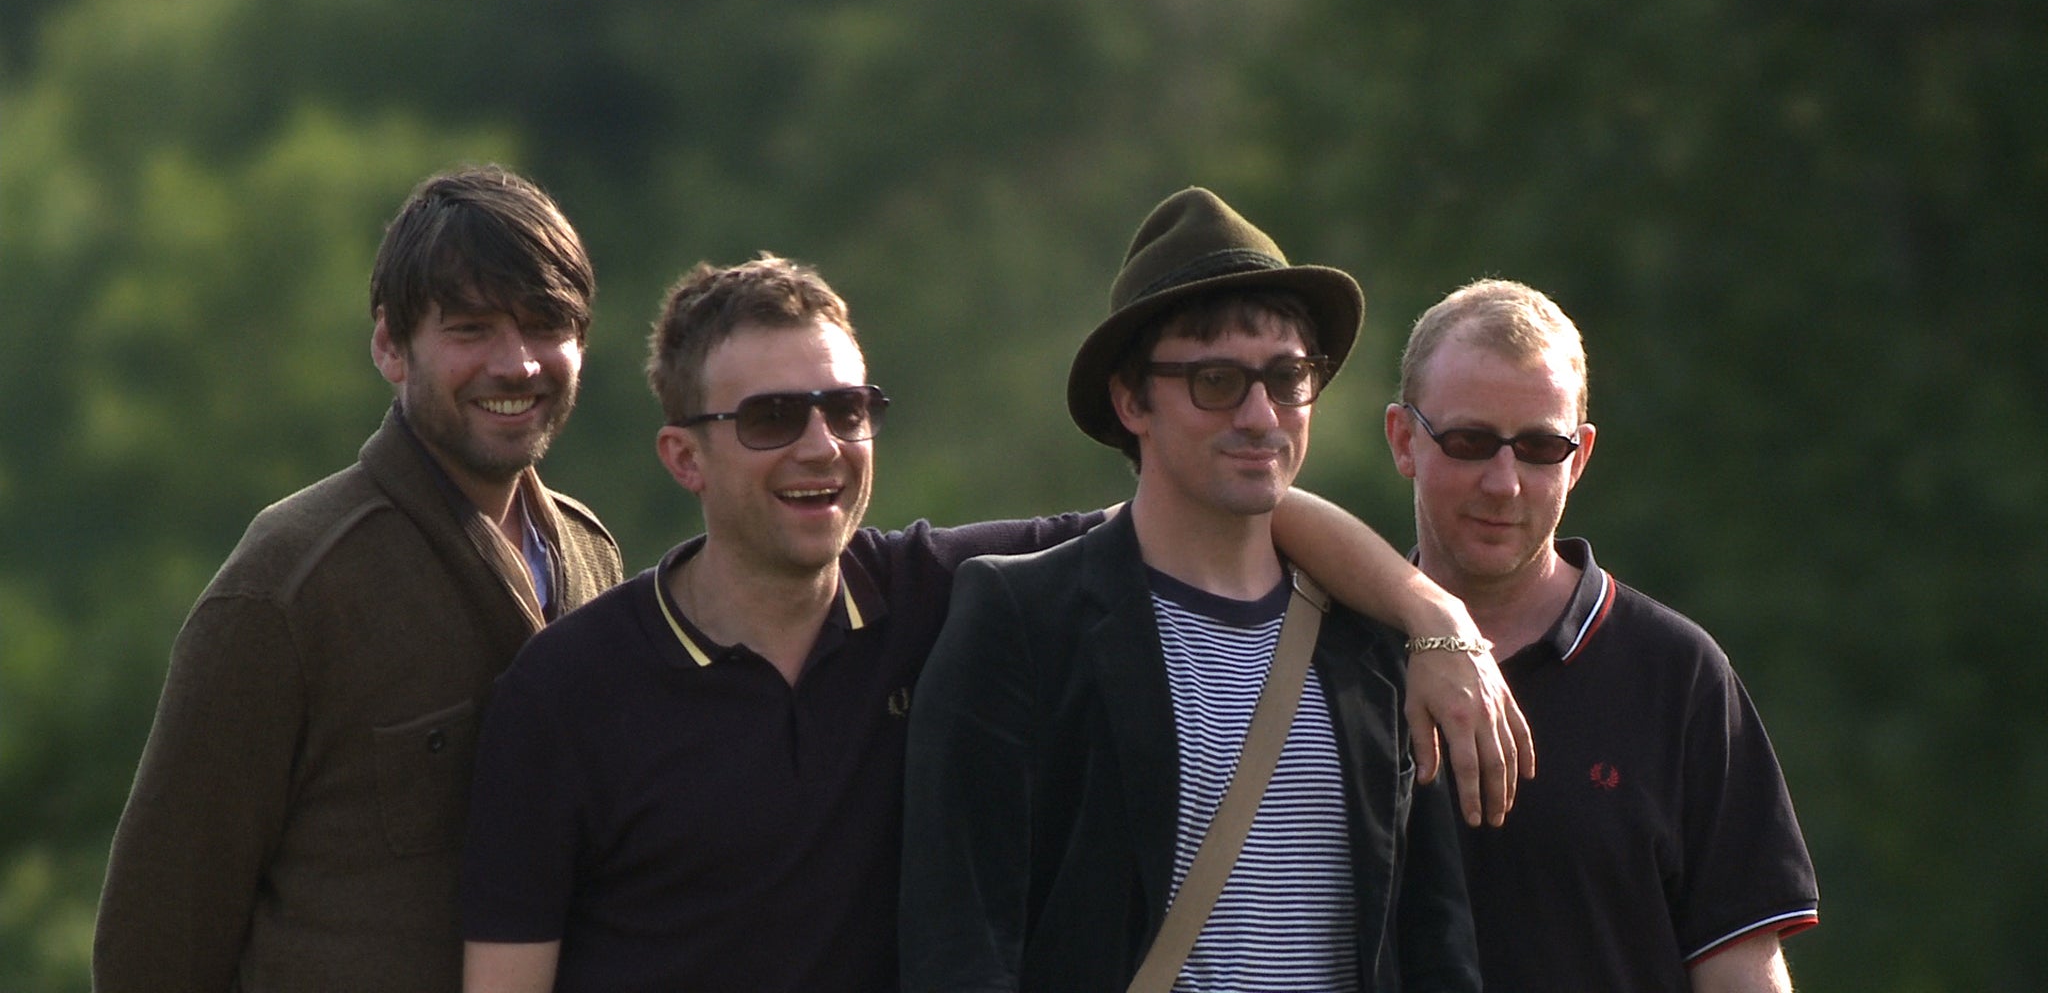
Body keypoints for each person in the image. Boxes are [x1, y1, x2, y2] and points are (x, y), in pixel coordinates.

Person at [460, 249, 1516, 993]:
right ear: (684, 457)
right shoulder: (569, 693)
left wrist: (1431, 617)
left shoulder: (936, 591)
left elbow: (1228, 491)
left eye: (848, 408)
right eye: (774, 418)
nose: (822, 446)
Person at [900, 188, 1482, 993]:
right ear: (1131, 399)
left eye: (1287, 377)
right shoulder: (1022, 620)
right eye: (1215, 380)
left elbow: (1436, 949)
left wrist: (1433, 617)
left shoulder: (1375, 643)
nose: (1259, 414)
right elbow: (959, 942)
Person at [94, 166, 625, 993]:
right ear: (389, 344)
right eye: (472, 327)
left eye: (546, 324)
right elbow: (158, 938)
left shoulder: (593, 556)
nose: (516, 363)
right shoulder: (293, 580)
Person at [1384, 278, 1819, 992]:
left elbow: (1741, 969)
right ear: (1404, 438)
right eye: (1468, 442)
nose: (1504, 481)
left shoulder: (1676, 675)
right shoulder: (1336, 658)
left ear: (1580, 455)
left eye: (1538, 447)